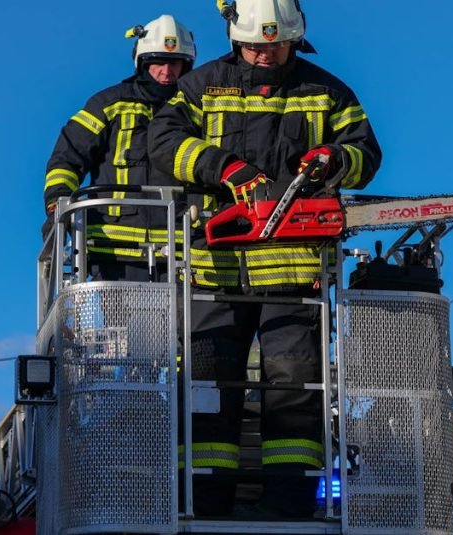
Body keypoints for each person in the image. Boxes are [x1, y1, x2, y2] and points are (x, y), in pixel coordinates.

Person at [148, 0, 382, 518]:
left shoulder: (327, 90)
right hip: (216, 270)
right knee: (209, 390)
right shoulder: (203, 85)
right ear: (236, 40)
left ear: (294, 39)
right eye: (255, 45)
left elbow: (366, 153)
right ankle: (205, 505)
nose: (265, 54)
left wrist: (336, 160)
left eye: (275, 45)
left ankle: (290, 506)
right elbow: (162, 141)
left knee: (295, 393)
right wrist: (224, 166)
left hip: (296, 273)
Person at [43, 14, 197, 283]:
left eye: (175, 63)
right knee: (124, 327)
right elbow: (67, 156)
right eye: (158, 62)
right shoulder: (109, 104)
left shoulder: (196, 109)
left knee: (189, 327)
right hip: (114, 252)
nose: (166, 72)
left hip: (183, 250)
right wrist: (59, 203)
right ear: (142, 62)